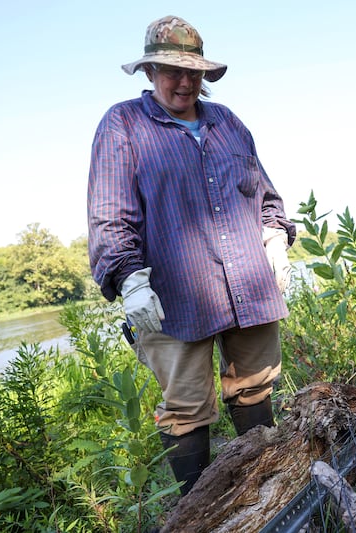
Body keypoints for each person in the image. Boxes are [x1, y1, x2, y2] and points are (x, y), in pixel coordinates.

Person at [87, 15, 295, 496]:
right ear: (149, 72)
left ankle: (266, 493)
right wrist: (128, 278)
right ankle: (200, 512)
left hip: (249, 282)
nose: (184, 82)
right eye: (170, 70)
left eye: (193, 71)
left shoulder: (227, 123)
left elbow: (263, 195)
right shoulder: (123, 124)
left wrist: (274, 240)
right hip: (171, 293)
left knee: (257, 387)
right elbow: (110, 209)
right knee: (184, 408)